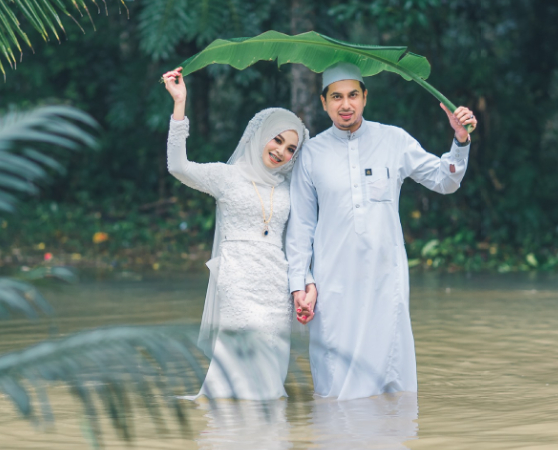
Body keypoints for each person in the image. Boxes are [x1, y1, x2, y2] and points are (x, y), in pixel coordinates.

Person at [286, 61, 478, 400]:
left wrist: (459, 140)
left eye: (353, 96)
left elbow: (444, 180)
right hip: (333, 281)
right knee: (335, 379)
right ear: (323, 102)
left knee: (390, 375)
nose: (345, 105)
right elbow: (301, 224)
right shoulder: (311, 153)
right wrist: (301, 283)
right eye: (336, 97)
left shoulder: (394, 140)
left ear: (365, 97)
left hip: (384, 277)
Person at [163, 67, 316, 400]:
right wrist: (180, 104)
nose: (281, 152)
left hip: (276, 282)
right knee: (242, 354)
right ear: (261, 135)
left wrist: (303, 284)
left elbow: (300, 239)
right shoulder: (226, 176)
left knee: (270, 363)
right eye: (277, 140)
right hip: (238, 279)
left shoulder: (290, 189)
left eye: (291, 148)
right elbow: (177, 166)